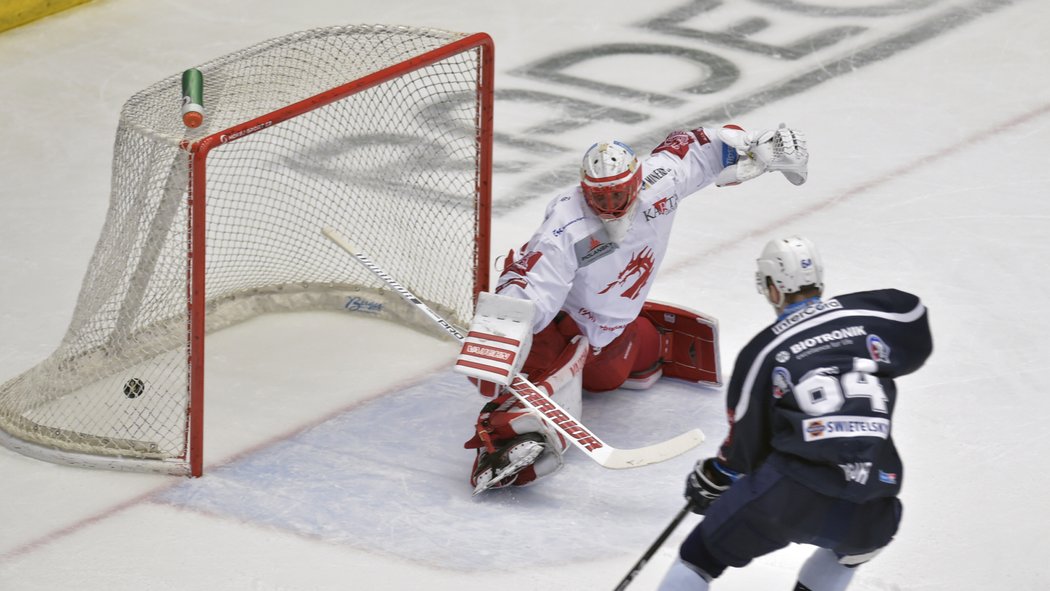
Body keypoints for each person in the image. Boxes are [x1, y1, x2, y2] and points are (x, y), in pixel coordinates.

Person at [452, 124, 810, 494]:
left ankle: (621, 351)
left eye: (618, 194)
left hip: (615, 336)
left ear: (637, 180)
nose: (609, 208)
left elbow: (700, 147)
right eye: (599, 198)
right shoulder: (567, 225)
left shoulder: (662, 181)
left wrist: (756, 145)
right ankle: (503, 440)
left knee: (625, 366)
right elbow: (532, 275)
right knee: (554, 380)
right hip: (565, 331)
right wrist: (501, 329)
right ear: (583, 189)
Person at [658, 236, 934, 590]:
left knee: (700, 557)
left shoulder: (764, 350)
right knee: (853, 552)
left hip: (791, 495)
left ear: (773, 289)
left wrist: (718, 473)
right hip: (875, 497)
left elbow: (745, 446)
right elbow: (912, 313)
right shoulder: (868, 321)